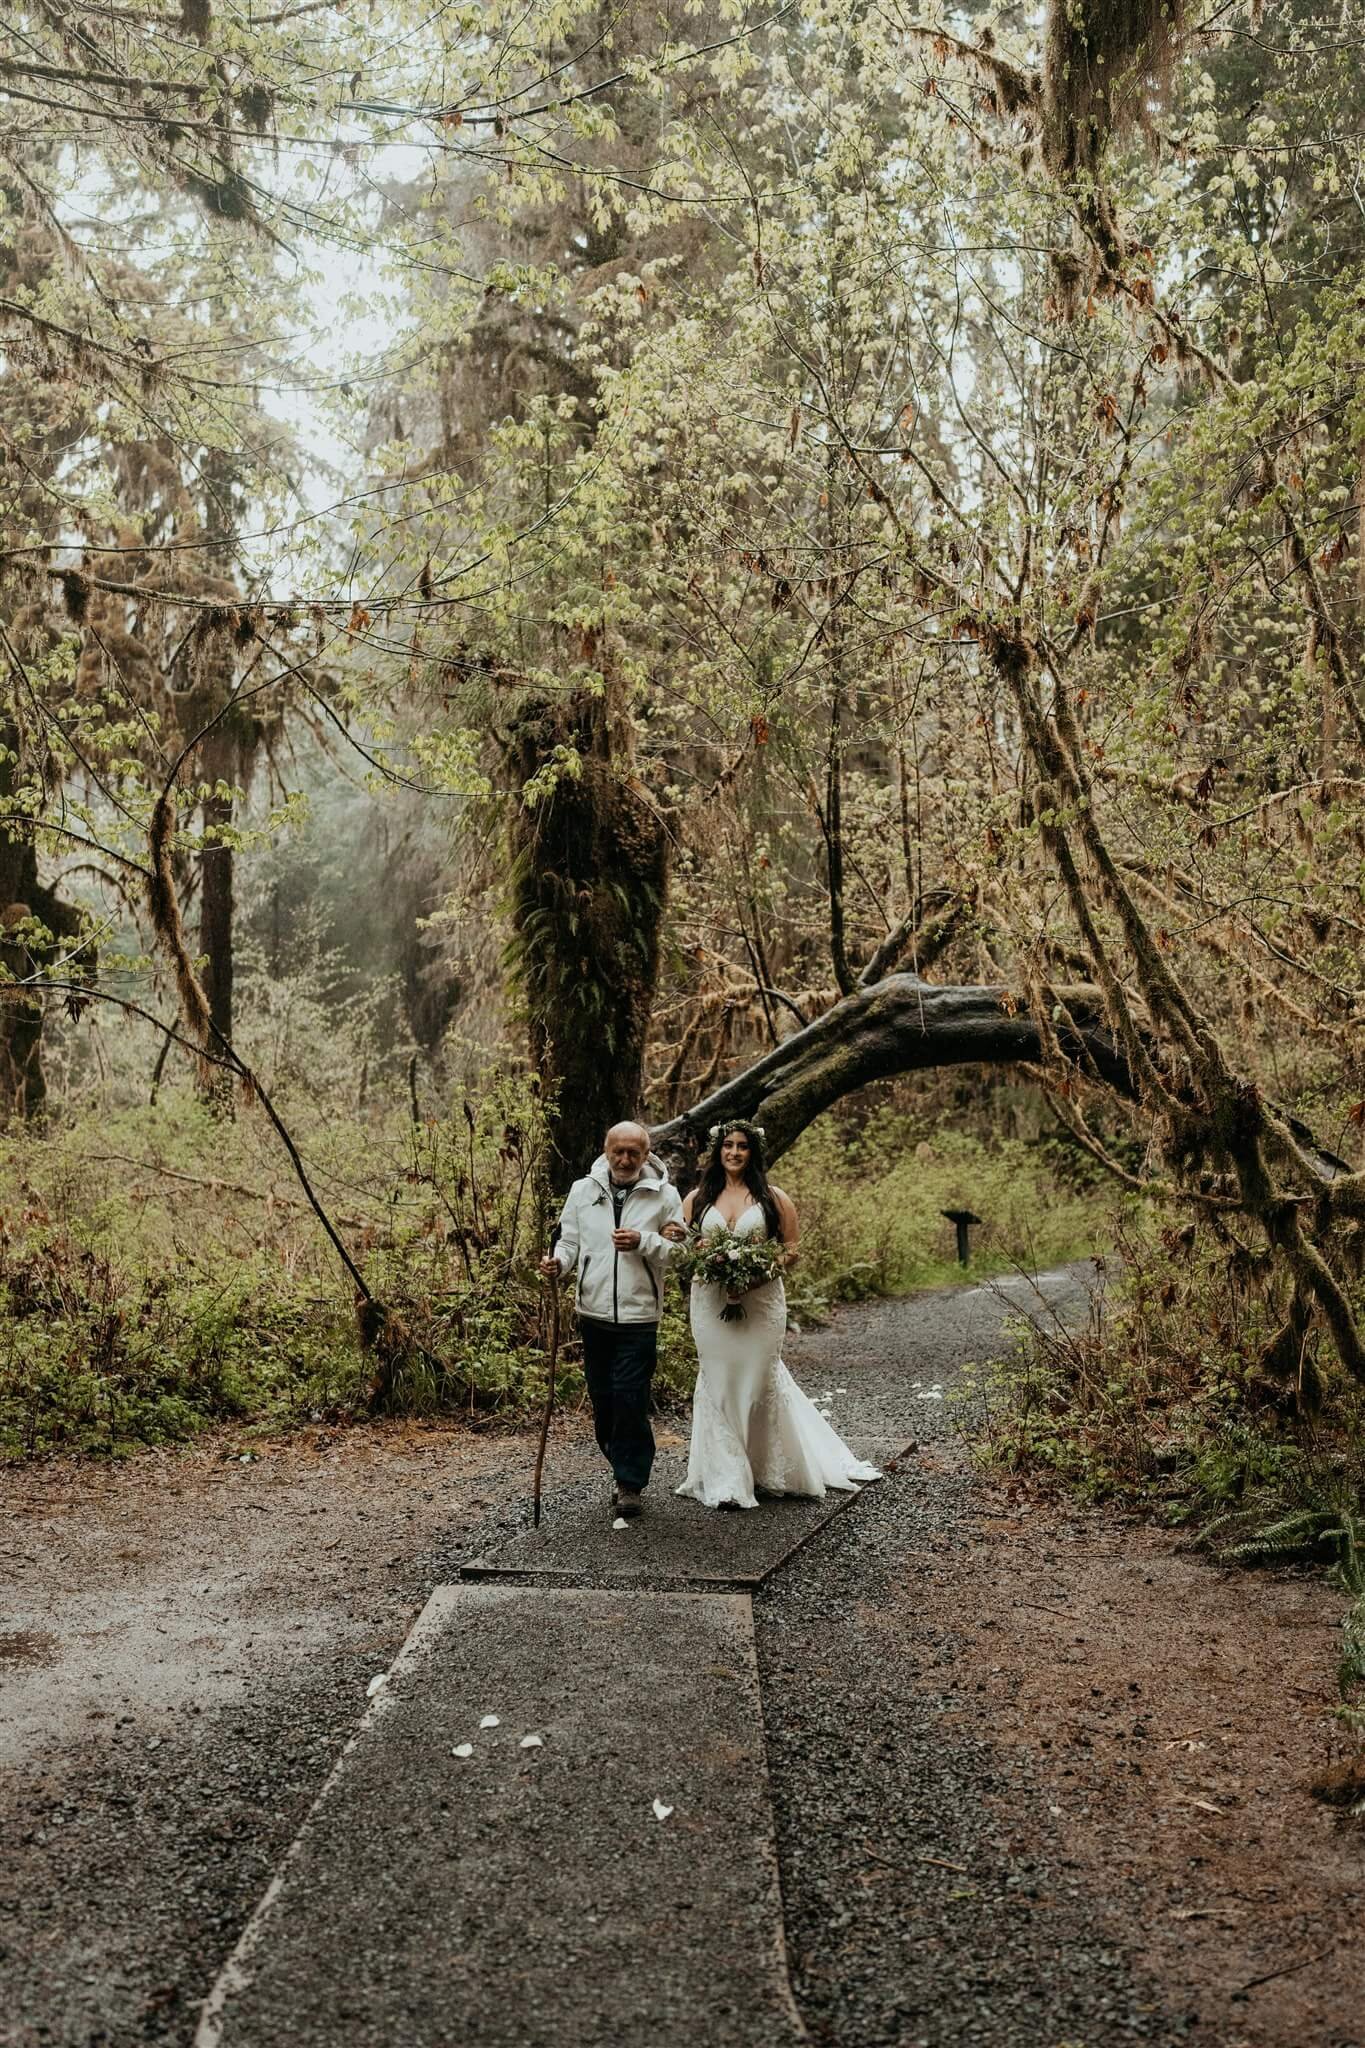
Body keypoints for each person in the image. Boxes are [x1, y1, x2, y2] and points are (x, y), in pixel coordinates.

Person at [675, 1118, 880, 1511]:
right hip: (710, 1302)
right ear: (718, 1151)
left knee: (756, 1382)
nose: (734, 1152)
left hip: (762, 1302)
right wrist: (702, 1259)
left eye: (742, 1146)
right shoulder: (697, 1199)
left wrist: (756, 1276)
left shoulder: (773, 1197)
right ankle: (727, 1477)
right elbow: (684, 1250)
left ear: (753, 1152)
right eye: (728, 1145)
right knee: (717, 1380)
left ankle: (767, 1469)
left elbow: (791, 1249)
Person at [541, 1121, 684, 1520]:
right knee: (604, 1401)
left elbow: (680, 1251)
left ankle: (629, 1482)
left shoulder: (664, 1195)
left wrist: (645, 1241)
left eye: (633, 1153)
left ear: (645, 1154)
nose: (624, 1160)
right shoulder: (583, 1191)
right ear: (606, 1150)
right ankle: (621, 1463)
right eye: (617, 1151)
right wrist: (558, 1264)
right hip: (594, 1314)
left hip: (639, 1318)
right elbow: (569, 1242)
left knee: (629, 1398)